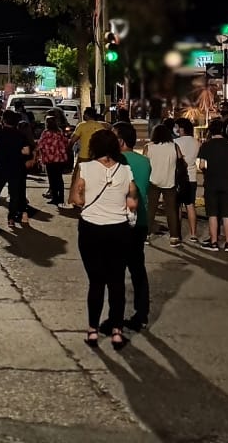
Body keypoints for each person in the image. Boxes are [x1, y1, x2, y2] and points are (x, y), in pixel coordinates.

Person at [70, 129, 140, 350]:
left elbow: (76, 199)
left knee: (96, 281)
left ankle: (92, 331)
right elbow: (132, 202)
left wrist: (89, 200)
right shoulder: (126, 171)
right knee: (117, 281)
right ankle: (117, 332)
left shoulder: (85, 168)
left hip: (91, 229)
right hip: (118, 230)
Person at [114, 122, 151, 331]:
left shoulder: (114, 162)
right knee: (138, 268)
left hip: (117, 220)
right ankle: (142, 313)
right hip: (140, 221)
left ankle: (116, 316)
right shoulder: (145, 162)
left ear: (120, 141)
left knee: (116, 271)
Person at [197, 119, 228, 251]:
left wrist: (206, 170)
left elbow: (201, 165)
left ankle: (213, 242)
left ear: (210, 131)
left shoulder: (206, 145)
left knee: (212, 214)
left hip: (211, 183)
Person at [145, 124, 181, 245]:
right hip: (169, 181)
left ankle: (147, 234)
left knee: (151, 209)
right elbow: (181, 160)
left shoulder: (148, 147)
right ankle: (174, 237)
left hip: (153, 180)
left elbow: (146, 163)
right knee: (171, 210)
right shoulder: (174, 146)